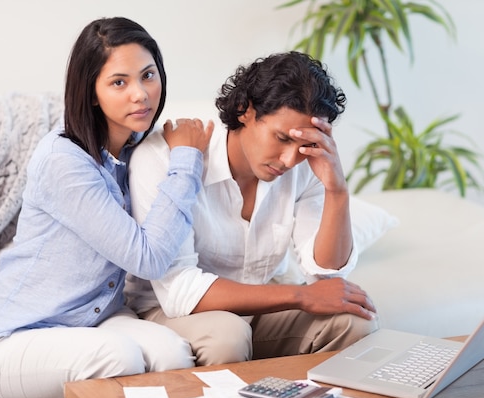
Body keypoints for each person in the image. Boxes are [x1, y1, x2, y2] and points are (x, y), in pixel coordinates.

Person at [0, 17, 213, 398]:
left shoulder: (134, 148)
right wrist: (187, 159)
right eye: (119, 82)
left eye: (148, 75)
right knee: (119, 358)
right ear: (92, 92)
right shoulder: (64, 161)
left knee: (174, 356)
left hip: (93, 319)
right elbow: (147, 259)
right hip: (15, 336)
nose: (140, 95)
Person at [125, 51, 378, 366]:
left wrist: (336, 190)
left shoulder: (305, 165)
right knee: (227, 337)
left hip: (258, 308)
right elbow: (180, 290)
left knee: (355, 321)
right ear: (245, 110)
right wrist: (299, 296)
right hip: (173, 311)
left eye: (302, 146)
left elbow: (326, 272)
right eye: (281, 138)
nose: (289, 160)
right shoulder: (168, 156)